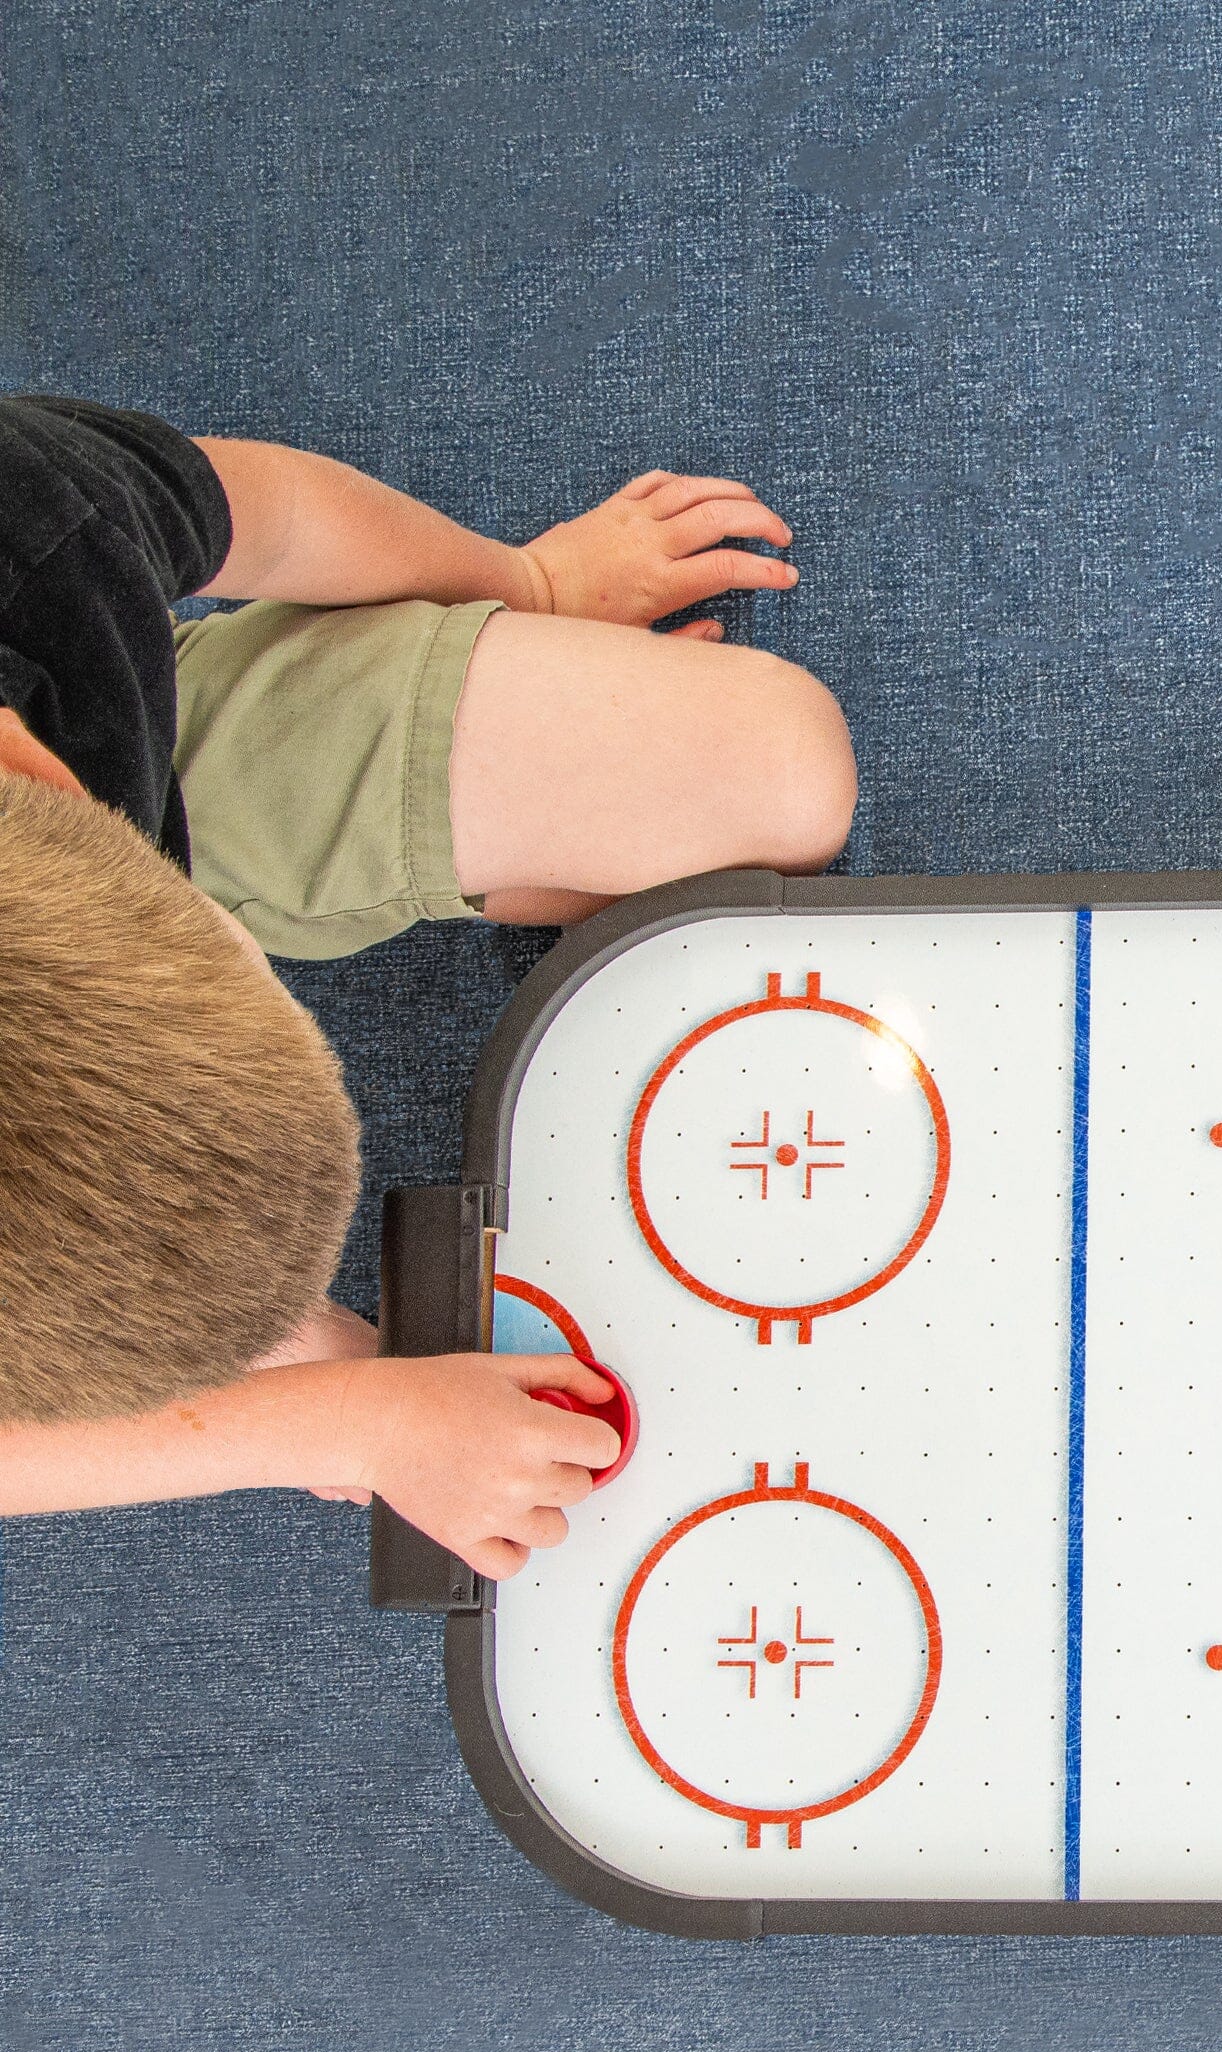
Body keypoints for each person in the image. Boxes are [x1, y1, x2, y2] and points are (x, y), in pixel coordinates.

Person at [0, 393, 855, 1575]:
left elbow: (279, 515)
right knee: (291, 1361)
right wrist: (348, 1416)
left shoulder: (35, 537)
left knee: (776, 779)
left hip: (140, 747)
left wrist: (524, 580)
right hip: (83, 843)